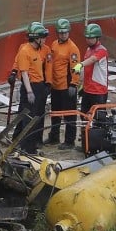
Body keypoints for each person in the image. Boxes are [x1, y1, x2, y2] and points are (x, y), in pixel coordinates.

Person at [12, 22, 52, 152]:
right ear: (36, 38)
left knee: (37, 117)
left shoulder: (39, 50)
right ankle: (26, 146)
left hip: (39, 86)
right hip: (31, 87)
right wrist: (29, 91)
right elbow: (23, 73)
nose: (45, 40)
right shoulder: (25, 51)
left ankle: (33, 143)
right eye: (43, 37)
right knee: (28, 118)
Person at [47, 18, 81, 149]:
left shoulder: (72, 48)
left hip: (67, 87)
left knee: (69, 115)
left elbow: (77, 67)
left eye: (65, 32)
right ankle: (54, 136)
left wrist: (74, 83)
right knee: (55, 113)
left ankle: (69, 140)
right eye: (61, 33)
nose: (63, 35)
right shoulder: (54, 44)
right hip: (55, 86)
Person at [74, 22, 109, 116]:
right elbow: (87, 69)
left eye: (91, 38)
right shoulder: (88, 50)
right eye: (87, 38)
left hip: (98, 91)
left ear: (97, 38)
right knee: (84, 116)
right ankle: (83, 131)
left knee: (98, 118)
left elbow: (93, 59)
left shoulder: (102, 50)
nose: (88, 40)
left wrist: (80, 65)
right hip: (87, 90)